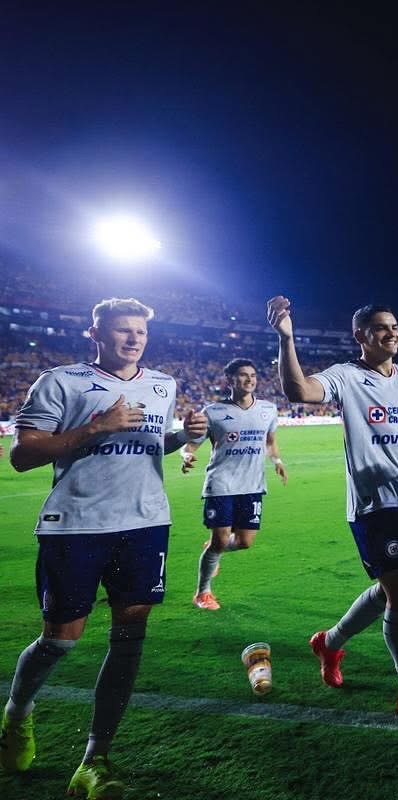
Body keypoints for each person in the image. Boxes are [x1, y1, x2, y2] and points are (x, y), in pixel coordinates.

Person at [1, 297, 208, 798]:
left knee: (129, 638)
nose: (133, 338)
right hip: (74, 525)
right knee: (61, 641)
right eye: (122, 330)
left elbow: (151, 442)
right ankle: (16, 716)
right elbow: (22, 455)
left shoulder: (163, 384)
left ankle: (96, 760)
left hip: (145, 523)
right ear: (95, 334)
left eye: (139, 331)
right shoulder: (60, 381)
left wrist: (183, 434)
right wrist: (97, 426)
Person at [267, 297, 398, 725]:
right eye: (381, 328)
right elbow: (300, 391)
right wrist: (287, 340)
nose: (392, 333)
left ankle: (330, 642)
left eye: (395, 327)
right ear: (361, 336)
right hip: (373, 507)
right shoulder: (346, 376)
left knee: (392, 588)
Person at [181, 358, 288, 610]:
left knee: (244, 542)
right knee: (220, 539)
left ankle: (214, 549)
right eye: (242, 375)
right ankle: (203, 593)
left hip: (252, 485)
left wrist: (277, 460)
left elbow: (270, 440)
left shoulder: (268, 409)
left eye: (252, 375)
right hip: (221, 484)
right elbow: (190, 444)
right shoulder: (212, 412)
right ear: (229, 380)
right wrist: (186, 456)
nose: (249, 379)